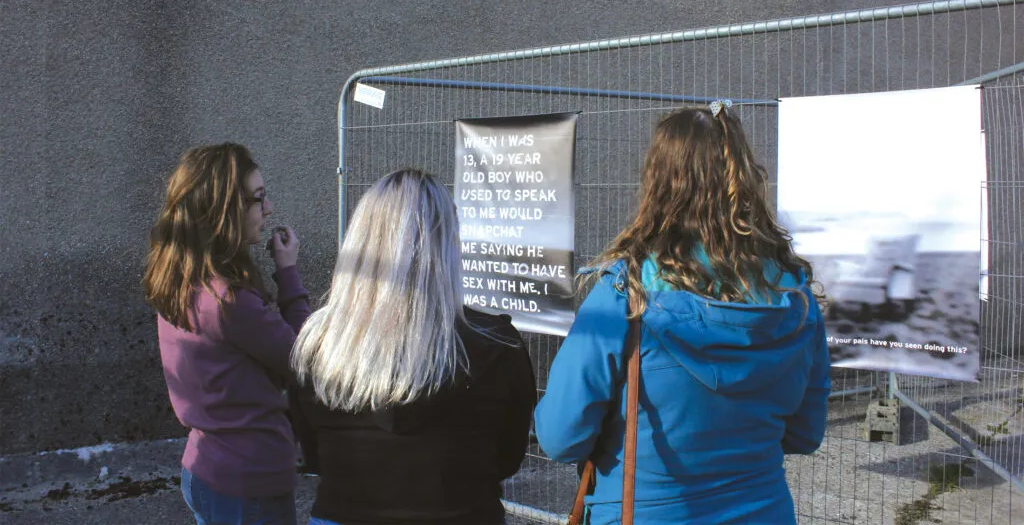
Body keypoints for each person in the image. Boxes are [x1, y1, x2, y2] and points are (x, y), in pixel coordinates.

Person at [534, 104, 831, 524]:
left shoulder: (626, 293)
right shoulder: (792, 294)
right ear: (743, 177)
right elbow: (805, 432)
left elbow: (561, 436)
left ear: (658, 181)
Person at [289, 168, 536, 525]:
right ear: (448, 244)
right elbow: (508, 458)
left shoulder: (318, 343)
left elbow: (312, 455)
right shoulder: (496, 343)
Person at [144, 143, 310, 525]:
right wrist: (288, 274)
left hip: (205, 468)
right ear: (223, 211)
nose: (268, 210)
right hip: (247, 484)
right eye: (258, 199)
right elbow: (305, 359)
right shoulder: (228, 300)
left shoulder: (180, 277)